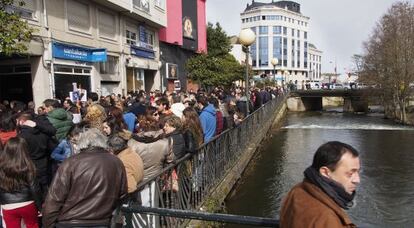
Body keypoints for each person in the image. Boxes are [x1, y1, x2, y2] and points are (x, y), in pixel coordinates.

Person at [42, 128, 127, 228]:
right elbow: (122, 193)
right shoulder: (116, 162)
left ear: (81, 143)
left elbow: (54, 199)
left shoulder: (70, 163)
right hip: (101, 221)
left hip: (71, 222)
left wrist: (48, 224)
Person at [280, 141, 361, 228]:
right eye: (350, 174)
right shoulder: (327, 218)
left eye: (358, 172)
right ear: (325, 172)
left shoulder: (297, 190)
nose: (357, 180)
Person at [0, 137, 42, 228]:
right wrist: (40, 207)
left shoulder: (1, 167)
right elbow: (35, 189)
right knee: (32, 225)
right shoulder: (28, 166)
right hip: (27, 203)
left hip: (7, 205)